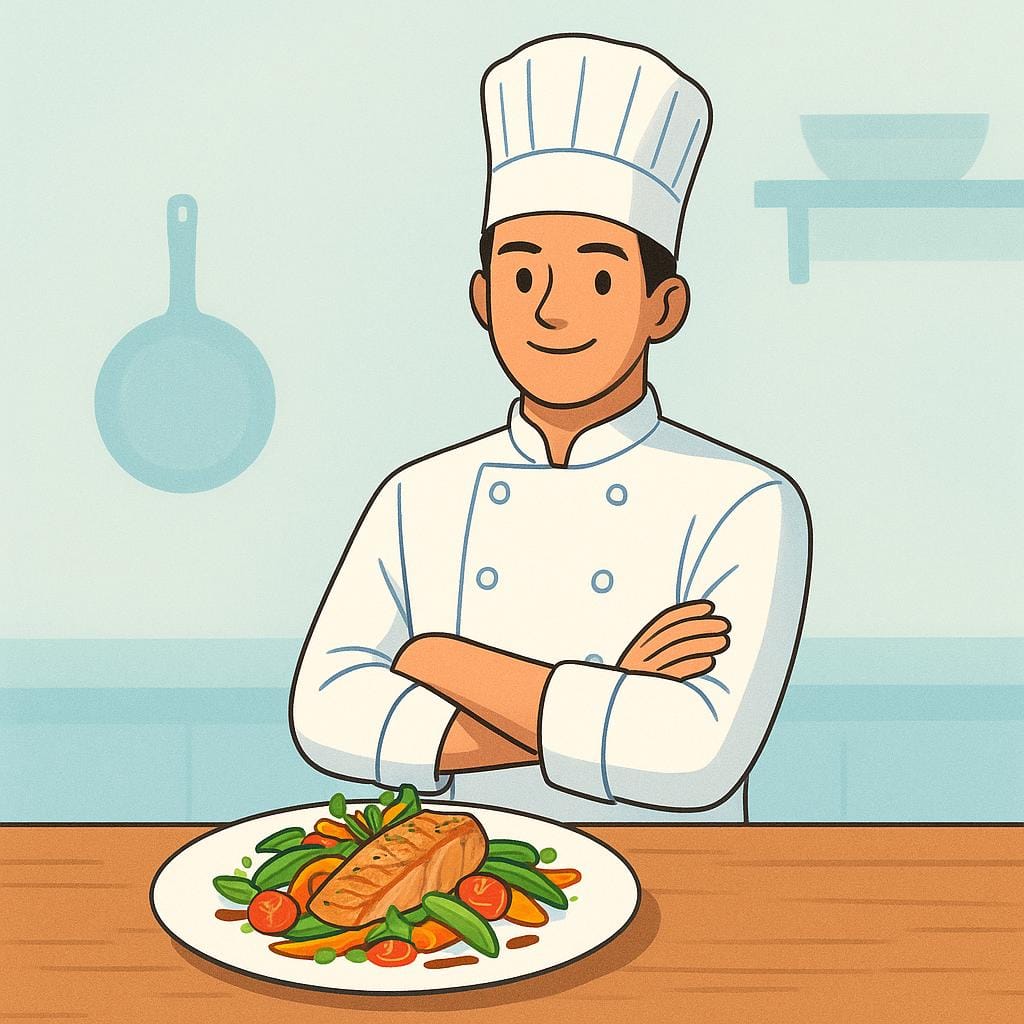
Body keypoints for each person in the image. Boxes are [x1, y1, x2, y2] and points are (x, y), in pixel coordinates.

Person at [289, 32, 811, 823]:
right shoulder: (418, 495)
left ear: (661, 308)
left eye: (599, 276)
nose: (552, 310)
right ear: (482, 297)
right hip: (470, 880)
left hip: (681, 885)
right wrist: (601, 699)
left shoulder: (747, 501)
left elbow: (697, 756)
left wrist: (441, 658)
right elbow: (326, 712)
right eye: (523, 272)